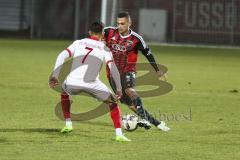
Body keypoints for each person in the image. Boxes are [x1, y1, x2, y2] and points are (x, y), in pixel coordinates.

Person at [49, 21, 130, 142]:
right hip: (92, 84)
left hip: (72, 83)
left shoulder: (78, 42)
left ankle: (68, 124)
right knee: (112, 103)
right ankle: (119, 134)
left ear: (89, 32)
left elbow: (61, 55)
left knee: (64, 91)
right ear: (102, 34)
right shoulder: (105, 48)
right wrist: (118, 88)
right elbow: (112, 68)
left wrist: (55, 75)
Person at [103, 11, 170, 131]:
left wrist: (157, 70)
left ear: (129, 23)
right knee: (129, 103)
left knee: (130, 90)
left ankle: (145, 119)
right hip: (112, 73)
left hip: (128, 70)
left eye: (123, 23)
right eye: (118, 23)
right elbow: (96, 38)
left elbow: (148, 53)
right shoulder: (109, 32)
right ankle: (156, 123)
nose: (120, 26)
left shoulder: (136, 39)